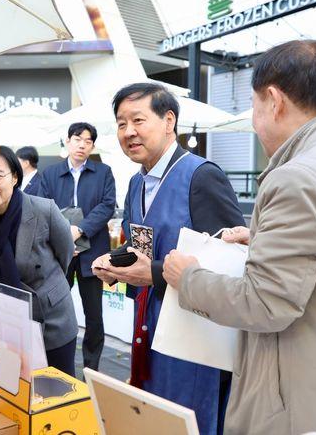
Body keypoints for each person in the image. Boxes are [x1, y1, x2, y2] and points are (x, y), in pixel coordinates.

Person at [163, 40, 316, 435]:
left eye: (254, 107)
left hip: (298, 402)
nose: (254, 122)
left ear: (274, 101)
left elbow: (266, 302)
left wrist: (188, 278)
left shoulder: (298, 178)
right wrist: (263, 238)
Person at [92, 83, 244, 435]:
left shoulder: (201, 176)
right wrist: (115, 265)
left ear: (169, 121)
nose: (128, 132)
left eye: (138, 120)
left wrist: (154, 273)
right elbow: (140, 247)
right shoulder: (136, 183)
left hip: (193, 335)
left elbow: (231, 261)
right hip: (148, 325)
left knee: (186, 420)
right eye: (121, 123)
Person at [0, 145, 78, 376]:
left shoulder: (45, 210)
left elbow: (65, 254)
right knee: (8, 389)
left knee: (56, 391)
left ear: (14, 177)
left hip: (51, 320)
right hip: (1, 322)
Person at [38, 122, 115, 371]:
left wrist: (80, 229)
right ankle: (55, 362)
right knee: (53, 309)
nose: (82, 145)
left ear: (92, 146)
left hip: (93, 253)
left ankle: (91, 369)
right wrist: (63, 234)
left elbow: (107, 205)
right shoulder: (50, 173)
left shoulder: (103, 172)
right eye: (77, 139)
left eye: (88, 141)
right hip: (59, 253)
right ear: (68, 141)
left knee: (94, 315)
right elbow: (42, 206)